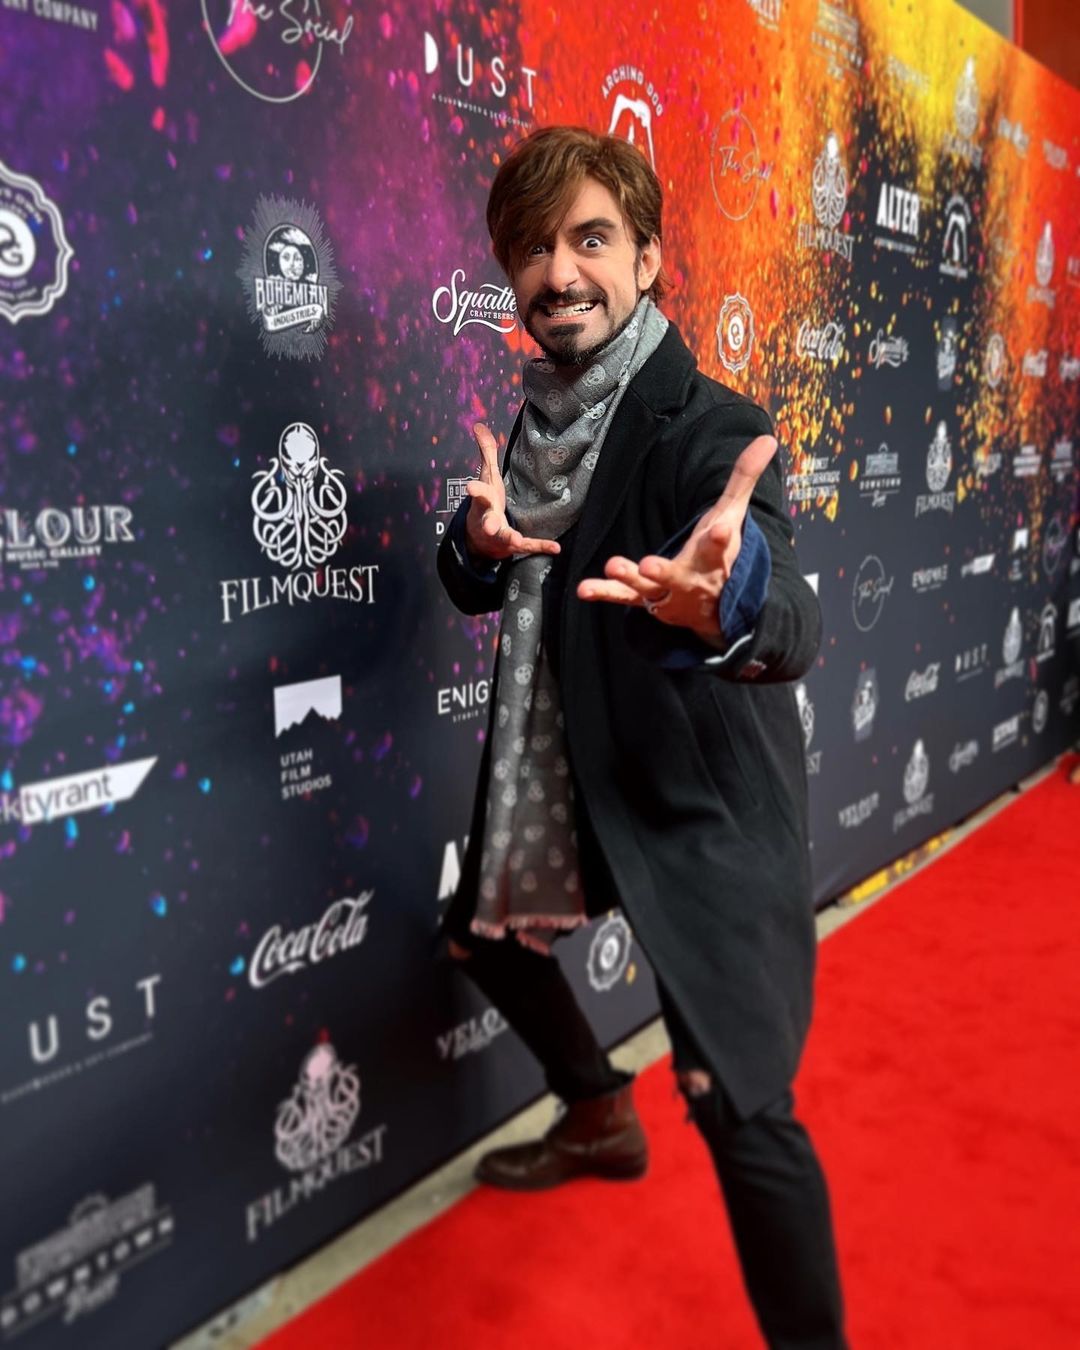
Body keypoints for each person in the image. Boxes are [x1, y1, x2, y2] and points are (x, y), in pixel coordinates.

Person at [437, 125, 846, 1349]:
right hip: (569, 773)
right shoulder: (536, 424)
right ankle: (597, 1112)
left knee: (737, 1100)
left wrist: (725, 602)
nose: (558, 272)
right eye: (531, 249)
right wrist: (476, 549)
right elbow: (473, 574)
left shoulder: (702, 424)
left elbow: (789, 612)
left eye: (590, 239)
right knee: (477, 933)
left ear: (649, 258)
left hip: (689, 800)